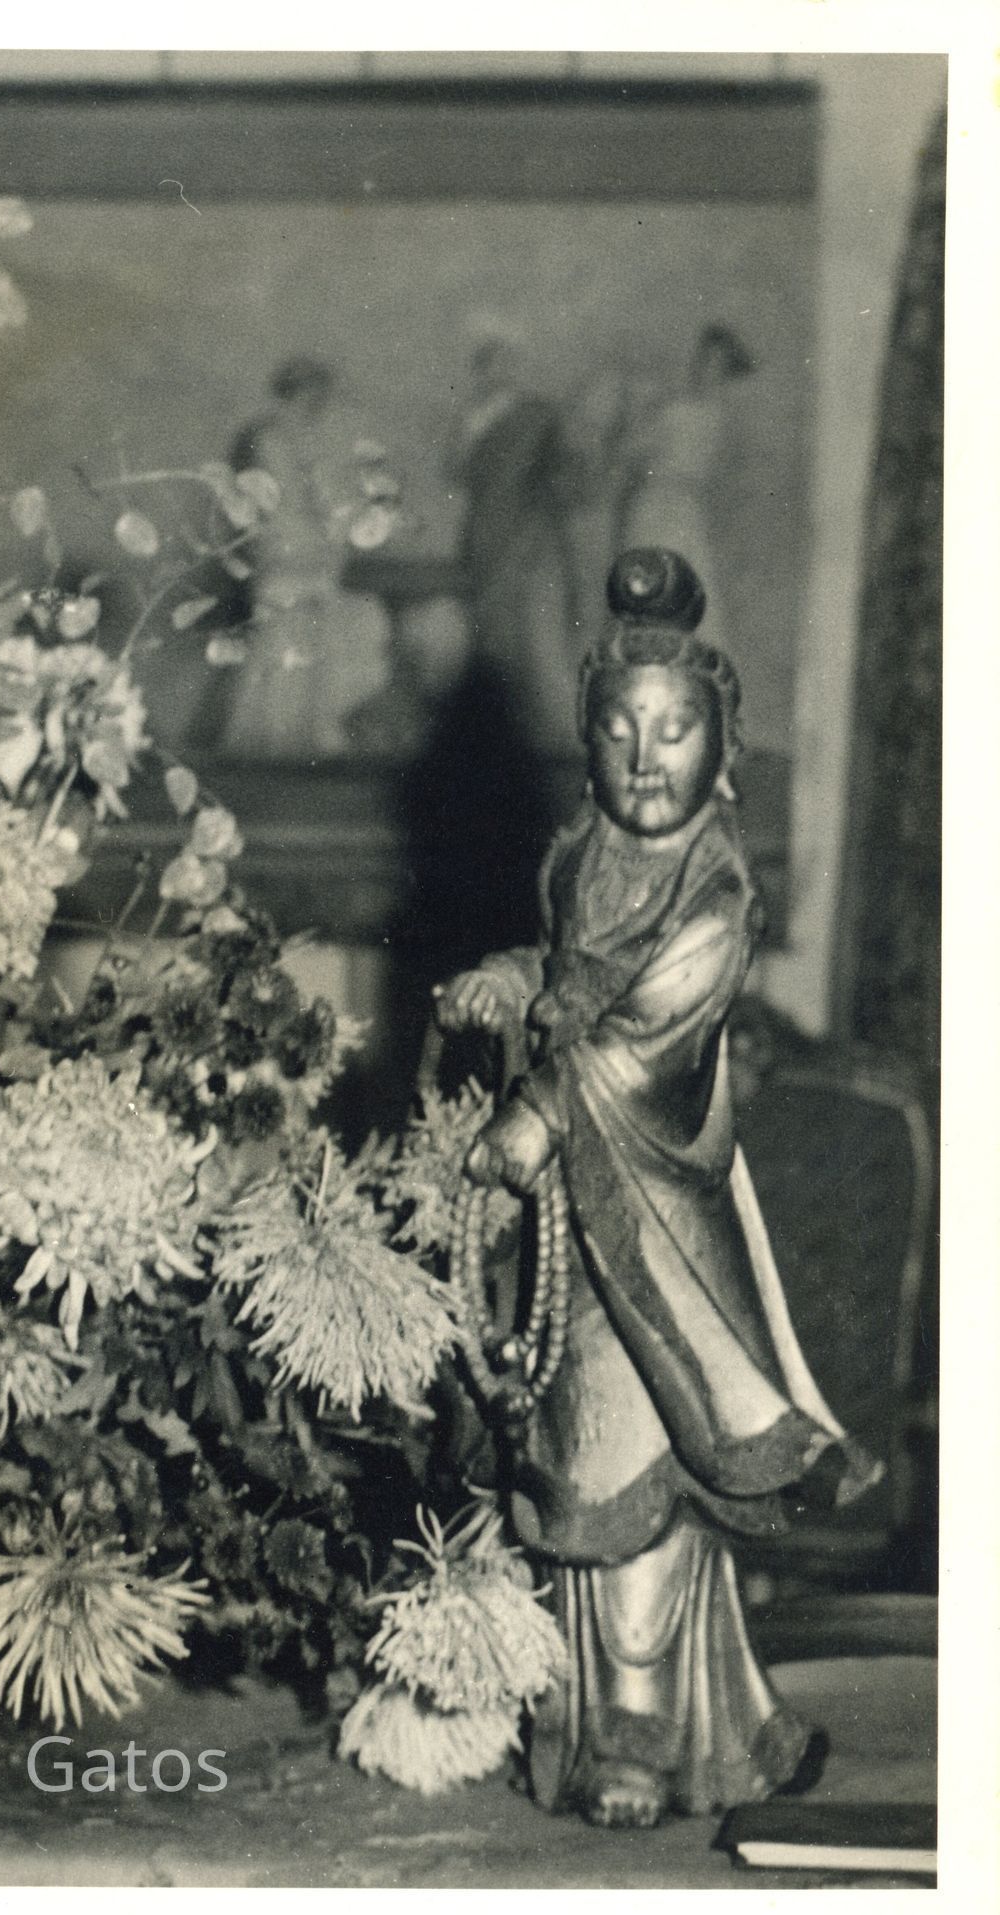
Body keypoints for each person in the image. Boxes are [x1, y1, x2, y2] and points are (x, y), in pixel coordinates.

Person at [436, 549, 877, 1828]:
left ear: (722, 748)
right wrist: (515, 977)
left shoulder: (718, 891)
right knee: (562, 1440)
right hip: (576, 1214)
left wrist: (537, 1109)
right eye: (619, 730)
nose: (645, 756)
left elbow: (645, 1036)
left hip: (658, 1210)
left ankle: (640, 1725)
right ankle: (571, 1706)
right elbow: (575, 979)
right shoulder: (580, 855)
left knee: (629, 1445)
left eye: (676, 730)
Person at [214, 356, 395, 760]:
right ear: (291, 394)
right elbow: (274, 507)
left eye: (320, 396)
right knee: (284, 640)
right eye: (309, 394)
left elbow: (324, 500)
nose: (316, 403)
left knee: (326, 636)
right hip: (280, 556)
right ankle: (276, 739)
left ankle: (314, 735)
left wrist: (334, 527)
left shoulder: (308, 439)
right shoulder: (266, 440)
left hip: (308, 555)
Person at [446, 324, 582, 754]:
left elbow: (565, 470)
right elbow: (455, 471)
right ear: (480, 369)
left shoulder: (538, 415)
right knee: (489, 625)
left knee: (533, 624)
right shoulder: (469, 416)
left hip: (530, 531)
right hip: (485, 528)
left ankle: (543, 726)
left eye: (506, 362)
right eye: (490, 363)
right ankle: (493, 731)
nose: (499, 371)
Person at [613, 325, 758, 652]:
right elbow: (634, 453)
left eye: (715, 366)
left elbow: (634, 451)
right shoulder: (685, 410)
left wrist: (637, 417)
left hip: (671, 507)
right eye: (703, 362)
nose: (705, 371)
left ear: (723, 374)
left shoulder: (694, 414)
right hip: (662, 504)